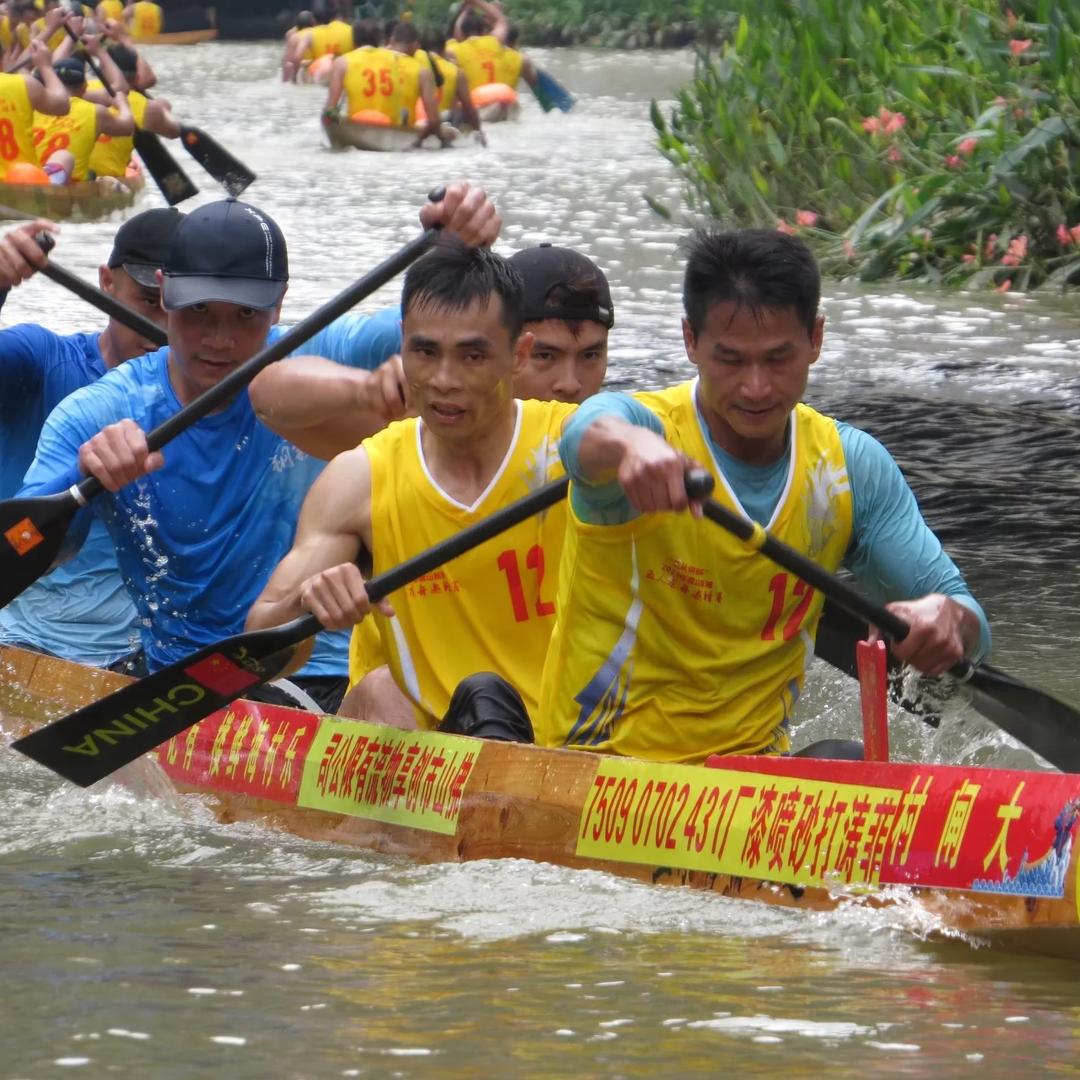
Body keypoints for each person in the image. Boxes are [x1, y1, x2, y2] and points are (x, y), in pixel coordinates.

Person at [16, 185, 500, 714]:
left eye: (246, 315)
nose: (219, 339)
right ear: (164, 292)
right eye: (198, 310)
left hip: (326, 669)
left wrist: (460, 247)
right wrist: (84, 482)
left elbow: (437, 322)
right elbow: (26, 552)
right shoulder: (101, 413)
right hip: (186, 679)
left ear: (280, 302)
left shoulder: (318, 350)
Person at [535, 227, 991, 765]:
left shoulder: (850, 467)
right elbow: (582, 433)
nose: (756, 388)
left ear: (815, 339)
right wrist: (632, 447)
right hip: (603, 771)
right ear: (690, 340)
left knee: (847, 760)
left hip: (752, 783)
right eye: (730, 360)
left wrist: (947, 620)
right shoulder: (642, 426)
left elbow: (971, 624)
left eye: (778, 359)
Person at [246, 241, 615, 725]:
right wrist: (307, 602)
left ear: (518, 355)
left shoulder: (580, 446)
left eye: (472, 356)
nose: (443, 380)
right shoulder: (362, 477)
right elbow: (258, 659)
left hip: (565, 739)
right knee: (380, 690)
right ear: (402, 344)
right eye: (425, 352)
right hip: (419, 745)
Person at [0, 208, 180, 671]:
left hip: (140, 655)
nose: (161, 327)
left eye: (179, 307)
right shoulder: (39, 359)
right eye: (147, 300)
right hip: (17, 635)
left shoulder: (215, 397)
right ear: (106, 282)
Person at [324, 20, 440, 141]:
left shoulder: (341, 62)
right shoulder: (405, 62)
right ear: (380, 40)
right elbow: (434, 121)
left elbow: (330, 109)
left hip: (357, 126)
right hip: (394, 130)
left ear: (353, 42)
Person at [31, 50, 132, 184]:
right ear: (84, 86)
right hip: (70, 184)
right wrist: (123, 105)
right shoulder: (96, 112)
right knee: (77, 165)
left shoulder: (35, 103)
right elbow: (127, 127)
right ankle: (52, 182)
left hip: (27, 176)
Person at [86, 42, 181, 179]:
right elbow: (175, 131)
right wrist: (164, 109)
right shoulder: (148, 107)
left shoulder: (82, 89)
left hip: (70, 172)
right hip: (109, 180)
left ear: (102, 70)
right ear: (136, 78)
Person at [0, 39, 67, 181]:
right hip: (25, 184)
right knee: (64, 157)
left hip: (20, 185)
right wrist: (45, 67)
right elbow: (62, 104)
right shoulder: (23, 83)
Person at [447, 0, 539, 98]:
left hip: (476, 100)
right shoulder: (507, 50)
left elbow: (458, 34)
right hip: (504, 98)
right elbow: (502, 22)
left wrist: (464, 11)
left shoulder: (454, 49)